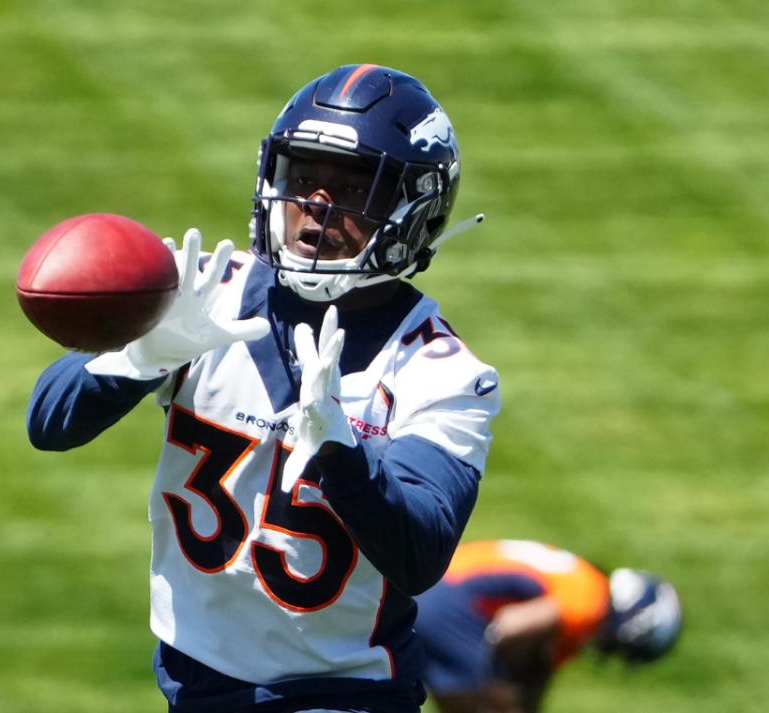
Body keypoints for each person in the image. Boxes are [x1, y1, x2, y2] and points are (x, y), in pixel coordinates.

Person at [28, 64, 500, 713]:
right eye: (304, 178)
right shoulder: (207, 294)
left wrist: (343, 455)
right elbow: (48, 423)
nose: (317, 206)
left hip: (343, 691)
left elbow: (420, 553)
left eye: (355, 186)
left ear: (413, 207)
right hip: (195, 680)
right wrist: (139, 356)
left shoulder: (439, 370)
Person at [413, 539, 683, 713]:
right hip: (447, 601)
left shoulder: (585, 583)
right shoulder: (588, 605)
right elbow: (507, 627)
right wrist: (494, 679)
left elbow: (538, 675)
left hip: (431, 583)